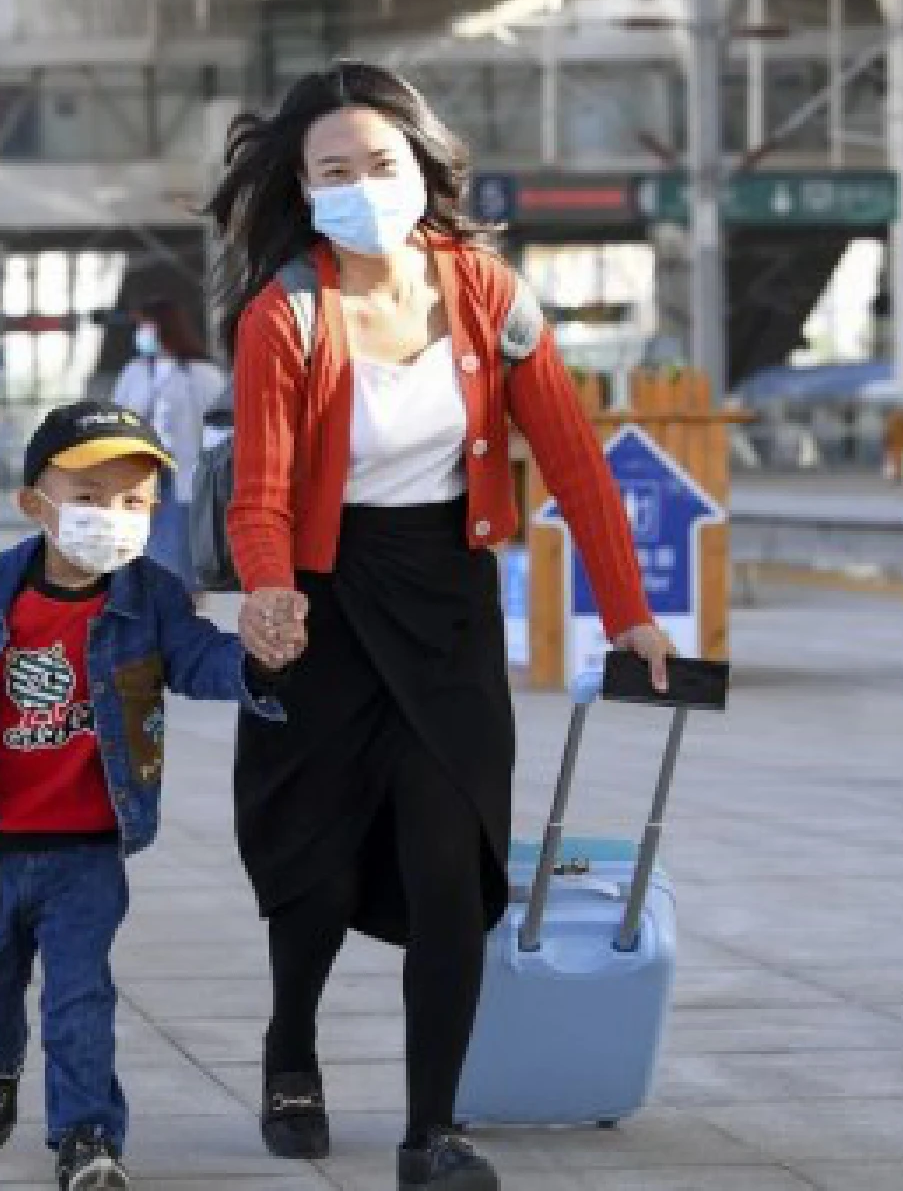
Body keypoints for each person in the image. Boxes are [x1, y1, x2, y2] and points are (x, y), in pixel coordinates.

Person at [207, 60, 673, 1191]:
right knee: (313, 862)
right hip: (318, 606)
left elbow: (572, 460)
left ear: (419, 165)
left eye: (379, 162)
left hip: (445, 605)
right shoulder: (286, 313)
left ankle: (431, 1132)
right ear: (303, 186)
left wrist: (628, 615)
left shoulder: (488, 295)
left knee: (445, 863)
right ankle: (289, 1050)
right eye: (333, 169)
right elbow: (259, 493)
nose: (360, 182)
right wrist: (265, 590)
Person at [0, 401, 288, 1191]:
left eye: (135, 503)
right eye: (91, 498)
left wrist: (257, 664)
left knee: (80, 998)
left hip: (86, 849)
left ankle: (87, 1136)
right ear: (36, 504)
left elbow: (199, 660)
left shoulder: (151, 597)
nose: (115, 518)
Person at [110, 299, 227, 590]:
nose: (141, 334)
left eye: (145, 327)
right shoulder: (135, 372)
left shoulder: (202, 375)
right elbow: (115, 418)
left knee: (178, 546)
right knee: (141, 543)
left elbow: (221, 426)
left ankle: (181, 601)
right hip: (143, 471)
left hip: (184, 474)